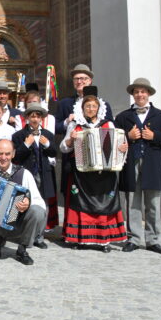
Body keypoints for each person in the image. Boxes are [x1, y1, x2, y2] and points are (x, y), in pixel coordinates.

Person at [59, 87, 128, 251]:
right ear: (82, 108)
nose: (90, 109)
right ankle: (80, 239)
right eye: (87, 106)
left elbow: (119, 144)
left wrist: (123, 148)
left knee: (103, 205)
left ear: (99, 108)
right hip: (81, 173)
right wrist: (70, 141)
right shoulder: (75, 125)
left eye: (93, 106)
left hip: (104, 173)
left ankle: (103, 240)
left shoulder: (108, 124)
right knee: (81, 206)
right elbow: (63, 147)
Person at [114, 78, 161, 254]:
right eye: (136, 92)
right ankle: (134, 238)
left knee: (153, 203)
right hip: (131, 162)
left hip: (152, 164)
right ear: (133, 95)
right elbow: (115, 138)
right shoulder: (123, 116)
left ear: (148, 94)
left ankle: (153, 240)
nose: (140, 94)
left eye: (143, 91)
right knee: (133, 202)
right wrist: (128, 135)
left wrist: (154, 136)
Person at [0, 139, 46, 265]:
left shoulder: (24, 174)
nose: (3, 157)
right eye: (0, 153)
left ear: (13, 154)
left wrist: (28, 204)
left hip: (19, 223)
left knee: (37, 211)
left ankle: (22, 249)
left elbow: (40, 203)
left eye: (7, 154)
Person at [11, 103, 58, 248]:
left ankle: (39, 236)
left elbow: (54, 153)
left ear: (41, 119)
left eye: (38, 116)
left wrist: (48, 145)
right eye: (32, 116)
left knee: (43, 205)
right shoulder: (18, 135)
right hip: (27, 174)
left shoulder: (48, 135)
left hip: (44, 175)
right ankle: (22, 235)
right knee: (23, 203)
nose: (35, 119)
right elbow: (16, 158)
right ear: (26, 118)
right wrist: (26, 145)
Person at [54, 64, 113, 137]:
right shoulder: (64, 103)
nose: (79, 81)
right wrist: (67, 121)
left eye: (83, 78)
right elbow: (55, 128)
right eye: (76, 79)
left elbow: (111, 129)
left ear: (90, 81)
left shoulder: (103, 105)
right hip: (73, 146)